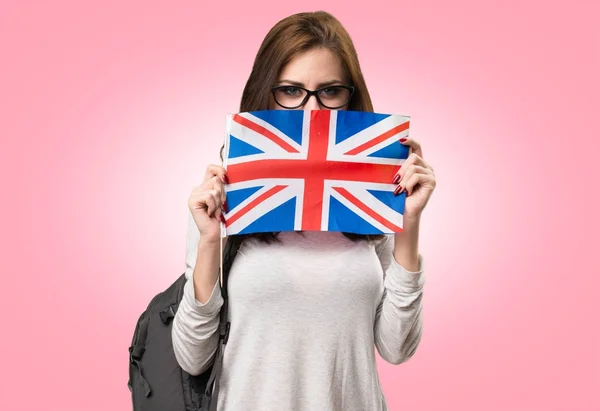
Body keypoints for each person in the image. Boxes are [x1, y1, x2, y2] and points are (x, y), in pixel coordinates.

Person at [172, 10, 436, 411]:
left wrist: (408, 223)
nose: (311, 110)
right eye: (291, 91)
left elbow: (396, 348)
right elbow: (193, 357)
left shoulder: (372, 206)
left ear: (351, 96)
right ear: (266, 92)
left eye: (330, 91)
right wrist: (211, 239)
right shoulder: (225, 198)